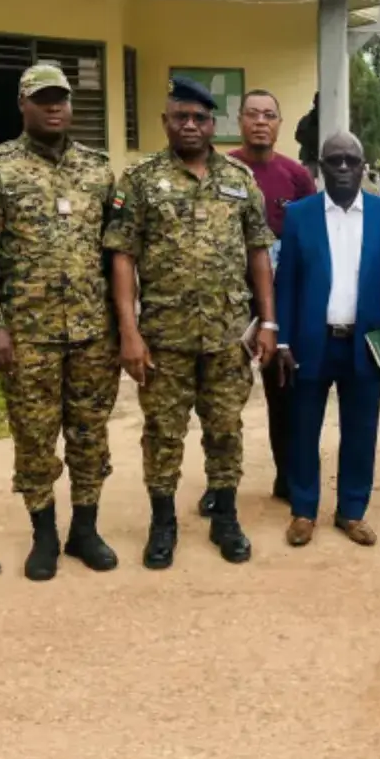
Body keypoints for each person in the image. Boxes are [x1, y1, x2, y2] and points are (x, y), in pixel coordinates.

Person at [103, 77, 277, 569]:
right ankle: (163, 524)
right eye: (181, 116)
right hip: (164, 338)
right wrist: (129, 333)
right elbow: (122, 257)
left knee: (225, 429)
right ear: (166, 121)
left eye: (200, 118)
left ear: (213, 124)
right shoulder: (139, 180)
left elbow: (259, 252)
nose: (191, 125)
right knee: (162, 432)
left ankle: (225, 517)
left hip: (227, 338)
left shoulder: (239, 178)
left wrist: (269, 323)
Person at [0, 63, 119, 583]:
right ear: (22, 105)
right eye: (42, 98)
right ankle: (44, 533)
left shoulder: (98, 170)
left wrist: (123, 323)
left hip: (94, 331)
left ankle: (85, 530)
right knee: (34, 437)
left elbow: (116, 253)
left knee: (90, 434)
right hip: (27, 336)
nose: (55, 107)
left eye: (62, 99)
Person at [274, 132, 380, 548]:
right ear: (320, 166)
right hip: (311, 340)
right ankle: (303, 510)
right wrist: (282, 341)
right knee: (303, 429)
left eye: (352, 161)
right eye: (334, 161)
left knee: (361, 429)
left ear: (363, 164)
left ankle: (352, 511)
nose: (343, 169)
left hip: (366, 340)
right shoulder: (300, 215)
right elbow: (287, 284)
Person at [228, 89, 316, 506]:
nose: (261, 121)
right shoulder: (223, 169)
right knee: (224, 398)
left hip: (281, 302)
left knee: (285, 392)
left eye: (269, 115)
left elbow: (311, 240)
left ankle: (289, 476)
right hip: (229, 302)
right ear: (241, 121)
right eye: (253, 114)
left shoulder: (296, 176)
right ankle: (221, 485)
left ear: (280, 124)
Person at [296, 92, 320, 179]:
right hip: (310, 159)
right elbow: (298, 136)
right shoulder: (307, 120)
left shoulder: (330, 119)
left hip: (326, 160)